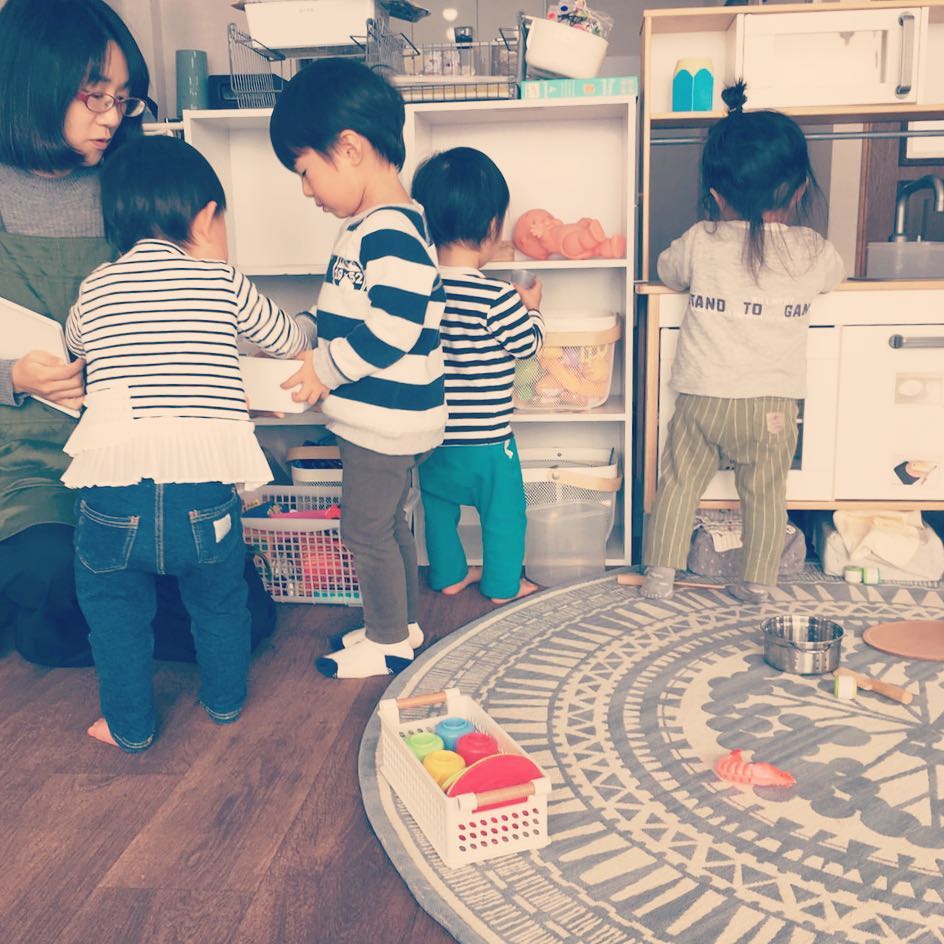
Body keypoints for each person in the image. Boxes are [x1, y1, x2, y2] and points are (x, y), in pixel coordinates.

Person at [0, 0, 276, 668]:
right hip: (30, 470)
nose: (111, 117)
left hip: (143, 460)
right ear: (31, 80)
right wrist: (12, 377)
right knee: (54, 574)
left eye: (124, 100)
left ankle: (112, 633)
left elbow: (199, 303)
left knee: (244, 613)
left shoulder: (134, 185)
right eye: (95, 95)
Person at [64, 135, 311, 750]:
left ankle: (129, 727)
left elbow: (74, 349)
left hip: (111, 495)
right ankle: (224, 703)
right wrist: (312, 325)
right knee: (220, 601)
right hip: (201, 494)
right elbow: (285, 340)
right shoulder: (223, 281)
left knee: (115, 616)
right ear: (204, 217)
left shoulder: (95, 287)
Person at [270, 58, 447, 679]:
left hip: (385, 420)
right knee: (388, 524)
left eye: (305, 171)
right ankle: (403, 626)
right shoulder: (369, 227)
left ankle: (386, 639)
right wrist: (302, 336)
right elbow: (342, 311)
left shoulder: (390, 230)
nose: (306, 190)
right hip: (382, 418)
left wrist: (325, 368)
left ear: (348, 149)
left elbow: (394, 327)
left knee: (365, 530)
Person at [642, 81, 845, 603]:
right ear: (799, 190)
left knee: (679, 483)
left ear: (715, 195)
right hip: (771, 408)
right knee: (766, 493)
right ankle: (758, 580)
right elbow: (835, 276)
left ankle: (660, 574)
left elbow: (666, 270)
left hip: (703, 400)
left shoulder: (701, 240)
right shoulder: (812, 250)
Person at [410, 147, 545, 603]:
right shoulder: (497, 297)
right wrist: (534, 310)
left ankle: (448, 575)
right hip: (488, 441)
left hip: (434, 437)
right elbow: (527, 346)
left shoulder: (419, 293)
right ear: (492, 228)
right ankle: (503, 585)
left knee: (438, 512)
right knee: (503, 516)